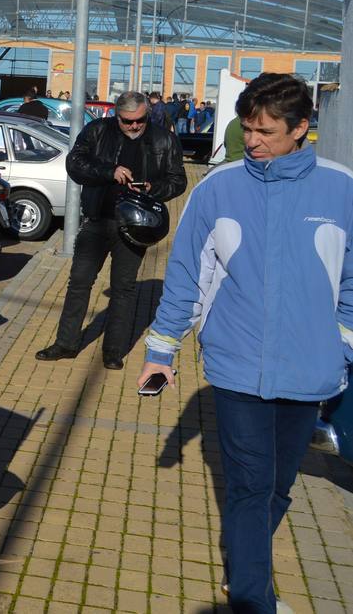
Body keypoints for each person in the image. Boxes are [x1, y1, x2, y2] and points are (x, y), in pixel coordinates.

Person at [140, 73, 353, 614]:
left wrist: (342, 349)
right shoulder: (219, 188)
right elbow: (185, 275)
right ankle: (254, 598)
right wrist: (161, 352)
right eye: (248, 128)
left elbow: (352, 284)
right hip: (237, 369)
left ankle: (245, 558)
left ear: (302, 128)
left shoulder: (341, 188)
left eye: (264, 131)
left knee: (279, 487)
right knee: (250, 486)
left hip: (311, 371)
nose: (251, 140)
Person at [35, 91, 185, 369]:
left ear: (146, 115)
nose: (134, 127)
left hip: (135, 227)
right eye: (127, 122)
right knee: (79, 282)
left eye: (139, 121)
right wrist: (109, 171)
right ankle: (66, 343)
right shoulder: (98, 130)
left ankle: (113, 352)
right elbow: (75, 163)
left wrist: (154, 189)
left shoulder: (164, 138)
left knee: (123, 289)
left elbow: (178, 180)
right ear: (117, 116)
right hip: (97, 219)